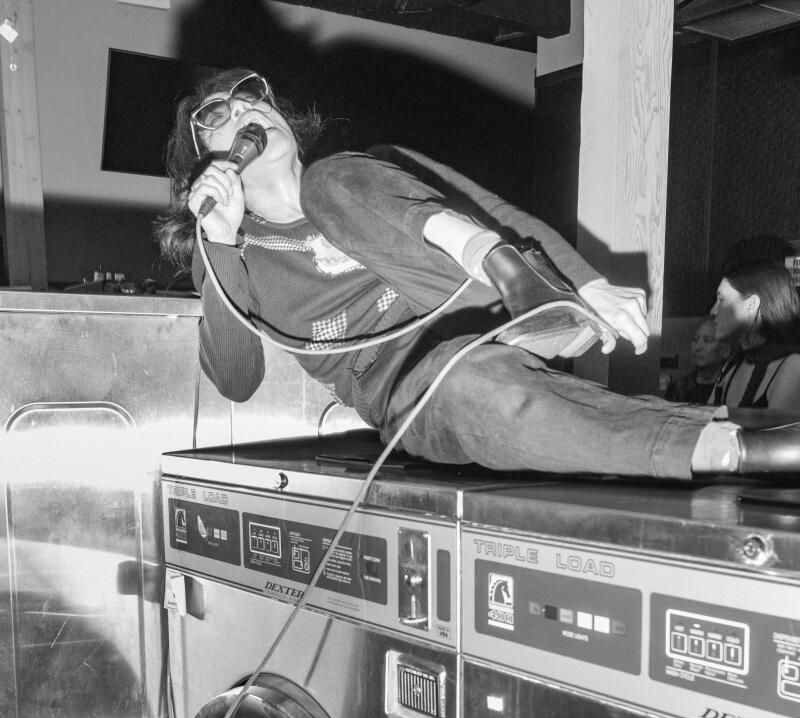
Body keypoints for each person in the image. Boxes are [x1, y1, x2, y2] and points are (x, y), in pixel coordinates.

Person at [156, 68, 800, 480]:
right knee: (471, 386)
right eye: (215, 117)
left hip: (485, 295)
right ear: (207, 162)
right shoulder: (235, 256)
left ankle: (525, 289)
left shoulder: (368, 169)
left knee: (332, 181)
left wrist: (587, 282)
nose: (244, 111)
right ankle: (730, 449)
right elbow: (236, 381)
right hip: (419, 386)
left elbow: (495, 211)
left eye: (253, 97)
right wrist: (220, 241)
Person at [710, 259, 800, 411]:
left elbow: (776, 434)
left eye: (721, 299)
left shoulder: (794, 367)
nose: (713, 311)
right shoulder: (733, 363)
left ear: (751, 304)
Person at [665, 318, 732, 406]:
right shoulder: (678, 389)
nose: (698, 347)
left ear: (726, 350)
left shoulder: (732, 389)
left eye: (707, 340)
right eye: (695, 339)